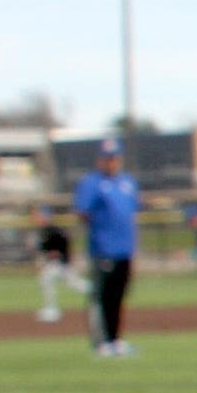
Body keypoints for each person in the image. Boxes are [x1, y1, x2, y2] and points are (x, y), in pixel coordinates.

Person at [73, 138, 141, 357]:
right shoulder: (92, 183)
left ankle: (116, 339)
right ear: (100, 160)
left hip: (124, 248)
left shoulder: (127, 182)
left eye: (114, 158)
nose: (111, 162)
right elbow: (83, 212)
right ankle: (101, 342)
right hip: (103, 249)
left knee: (119, 296)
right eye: (107, 158)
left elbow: (131, 214)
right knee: (102, 296)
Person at [32, 207, 80, 323]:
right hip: (58, 262)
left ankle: (52, 311)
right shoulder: (45, 229)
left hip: (60, 262)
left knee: (46, 279)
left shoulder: (52, 229)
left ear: (46, 217)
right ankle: (99, 294)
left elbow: (64, 242)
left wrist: (60, 253)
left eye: (40, 216)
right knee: (73, 284)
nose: (38, 218)